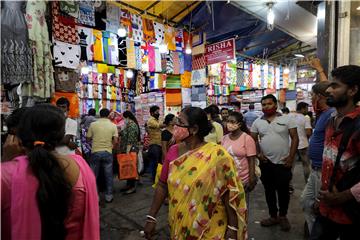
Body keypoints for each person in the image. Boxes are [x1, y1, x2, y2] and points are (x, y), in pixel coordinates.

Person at [144, 107, 247, 240]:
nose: (175, 126)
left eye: (180, 122)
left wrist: (232, 228)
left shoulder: (218, 155)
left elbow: (229, 193)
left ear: (194, 129)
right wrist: (151, 217)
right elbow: (162, 185)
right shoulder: (173, 151)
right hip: (179, 224)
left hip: (210, 228)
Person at [1, 104, 99, 240]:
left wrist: (7, 163)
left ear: (20, 135)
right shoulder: (80, 166)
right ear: (60, 135)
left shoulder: (6, 175)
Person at [310, 65, 360, 239]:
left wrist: (343, 196)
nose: (329, 90)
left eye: (335, 86)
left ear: (353, 90)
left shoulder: (358, 126)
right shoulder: (332, 120)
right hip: (327, 210)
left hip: (350, 215)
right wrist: (322, 200)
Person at [251, 94, 299, 232]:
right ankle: (273, 216)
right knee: (269, 190)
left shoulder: (287, 119)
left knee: (283, 191)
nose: (266, 107)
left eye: (269, 104)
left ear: (275, 105)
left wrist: (291, 157)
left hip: (283, 163)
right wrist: (259, 155)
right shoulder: (257, 122)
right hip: (266, 163)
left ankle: (283, 216)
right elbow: (252, 140)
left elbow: (294, 138)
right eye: (264, 104)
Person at [300, 81, 335, 235]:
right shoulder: (324, 114)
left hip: (323, 169)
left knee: (319, 206)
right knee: (306, 201)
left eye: (312, 95)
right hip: (316, 168)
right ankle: (313, 229)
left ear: (319, 97)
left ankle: (317, 232)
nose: (311, 99)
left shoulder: (331, 114)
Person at [87, 108, 118, 203]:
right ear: (108, 115)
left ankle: (95, 196)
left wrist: (94, 143)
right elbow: (116, 141)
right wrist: (111, 147)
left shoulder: (93, 125)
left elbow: (88, 139)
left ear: (99, 115)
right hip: (107, 152)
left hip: (95, 152)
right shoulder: (113, 125)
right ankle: (109, 195)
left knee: (93, 175)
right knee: (108, 175)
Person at [221, 111, 257, 194]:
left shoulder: (247, 139)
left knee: (242, 205)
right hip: (228, 178)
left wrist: (251, 178)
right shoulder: (224, 138)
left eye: (232, 122)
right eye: (228, 121)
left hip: (243, 179)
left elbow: (251, 160)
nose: (229, 124)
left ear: (240, 124)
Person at [290, 102, 312, 183]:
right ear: (302, 108)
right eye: (306, 108)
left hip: (292, 145)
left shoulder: (290, 116)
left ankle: (289, 185)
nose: (307, 110)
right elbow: (308, 132)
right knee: (306, 165)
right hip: (303, 144)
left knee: (291, 166)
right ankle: (308, 183)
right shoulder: (305, 118)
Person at [119, 110, 140, 194]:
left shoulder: (131, 125)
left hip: (131, 150)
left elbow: (130, 141)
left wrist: (127, 153)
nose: (123, 120)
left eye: (124, 118)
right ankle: (129, 185)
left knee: (132, 168)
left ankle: (133, 187)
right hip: (128, 149)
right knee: (128, 168)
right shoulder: (128, 125)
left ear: (127, 117)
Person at [146, 105, 165, 182]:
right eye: (156, 112)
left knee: (158, 162)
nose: (158, 113)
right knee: (155, 162)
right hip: (154, 144)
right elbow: (159, 125)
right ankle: (153, 178)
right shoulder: (151, 120)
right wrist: (169, 123)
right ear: (152, 113)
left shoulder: (157, 119)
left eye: (158, 111)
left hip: (159, 144)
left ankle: (157, 177)